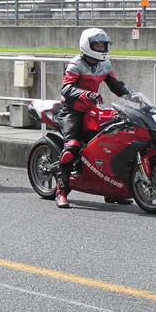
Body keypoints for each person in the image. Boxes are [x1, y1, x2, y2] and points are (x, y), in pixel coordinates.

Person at [55, 28, 133, 208]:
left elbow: (115, 84)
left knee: (110, 144)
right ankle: (61, 191)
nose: (101, 48)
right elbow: (66, 88)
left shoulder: (104, 64)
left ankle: (112, 191)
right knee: (71, 147)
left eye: (103, 45)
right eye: (97, 45)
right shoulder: (75, 64)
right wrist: (86, 94)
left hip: (92, 109)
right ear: (87, 45)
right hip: (71, 110)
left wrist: (131, 95)